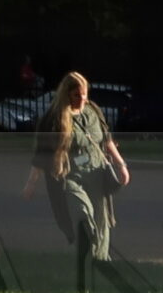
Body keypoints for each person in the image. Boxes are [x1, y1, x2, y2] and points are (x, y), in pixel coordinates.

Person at [20, 71, 129, 262]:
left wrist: (121, 165)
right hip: (70, 174)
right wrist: (31, 183)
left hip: (96, 171)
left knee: (101, 219)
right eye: (77, 95)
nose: (82, 98)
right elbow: (42, 153)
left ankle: (100, 262)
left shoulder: (93, 110)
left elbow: (106, 138)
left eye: (84, 93)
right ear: (67, 94)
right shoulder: (54, 118)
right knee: (82, 212)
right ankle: (90, 247)